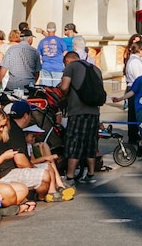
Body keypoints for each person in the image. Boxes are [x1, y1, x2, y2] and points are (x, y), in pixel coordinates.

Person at [0, 102, 55, 202]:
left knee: (47, 167)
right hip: (7, 173)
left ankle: (52, 192)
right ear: (26, 116)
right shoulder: (16, 131)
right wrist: (34, 169)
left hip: (4, 172)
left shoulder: (11, 127)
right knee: (45, 174)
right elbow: (20, 162)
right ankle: (41, 197)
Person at [59, 52, 102, 184]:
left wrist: (64, 96)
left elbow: (64, 87)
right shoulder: (95, 68)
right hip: (94, 112)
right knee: (90, 144)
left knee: (74, 144)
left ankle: (70, 176)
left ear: (67, 60)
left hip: (77, 112)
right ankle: (90, 174)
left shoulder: (71, 67)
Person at [112, 58, 142, 161]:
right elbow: (132, 92)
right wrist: (120, 98)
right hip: (141, 107)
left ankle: (141, 144)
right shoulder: (140, 80)